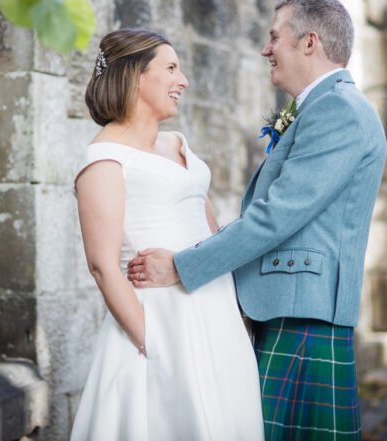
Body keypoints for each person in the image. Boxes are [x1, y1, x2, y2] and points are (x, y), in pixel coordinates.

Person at [127, 0, 387, 441]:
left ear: (309, 43)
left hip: (304, 316)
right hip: (291, 308)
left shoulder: (337, 110)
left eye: (274, 37)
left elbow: (276, 216)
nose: (266, 49)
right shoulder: (322, 107)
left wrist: (180, 265)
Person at [71, 29, 264, 441]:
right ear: (136, 77)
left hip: (217, 313)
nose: (184, 81)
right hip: (161, 320)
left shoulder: (178, 144)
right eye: (172, 68)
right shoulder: (104, 158)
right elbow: (103, 266)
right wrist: (152, 342)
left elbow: (212, 233)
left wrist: (235, 312)